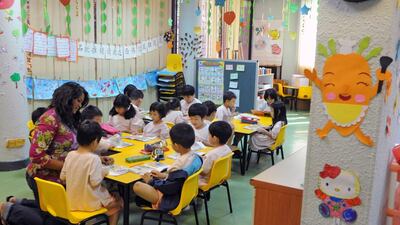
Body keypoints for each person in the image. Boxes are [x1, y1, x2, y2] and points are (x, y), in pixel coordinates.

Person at [26, 82, 89, 202]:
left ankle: (17, 203)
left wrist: (92, 158)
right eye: (78, 101)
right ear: (68, 98)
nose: (80, 105)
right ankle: (10, 209)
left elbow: (76, 146)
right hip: (44, 175)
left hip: (63, 172)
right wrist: (68, 167)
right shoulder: (50, 119)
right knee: (56, 216)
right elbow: (36, 156)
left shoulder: (70, 118)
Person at [60, 120, 122, 225]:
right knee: (118, 203)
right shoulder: (94, 159)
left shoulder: (70, 155)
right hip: (89, 204)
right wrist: (104, 172)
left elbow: (63, 177)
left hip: (72, 203)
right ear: (94, 142)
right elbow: (95, 182)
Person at [133, 123, 203, 211]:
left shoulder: (178, 165)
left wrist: (152, 182)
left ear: (176, 146)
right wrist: (164, 176)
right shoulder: (196, 157)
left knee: (137, 185)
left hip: (171, 198)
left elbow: (170, 187)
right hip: (186, 194)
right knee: (145, 184)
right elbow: (179, 179)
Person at [199, 121, 232, 185]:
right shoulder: (228, 149)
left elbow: (203, 171)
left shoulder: (211, 154)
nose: (208, 136)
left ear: (214, 138)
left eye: (209, 134)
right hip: (221, 176)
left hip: (206, 180)